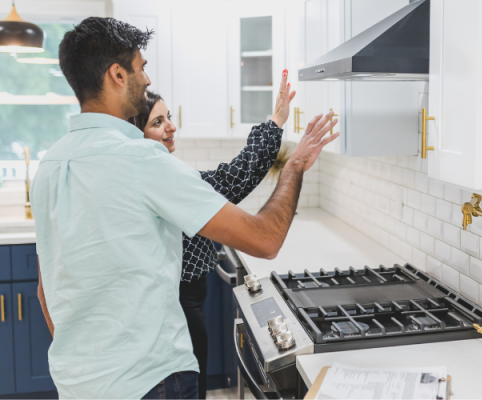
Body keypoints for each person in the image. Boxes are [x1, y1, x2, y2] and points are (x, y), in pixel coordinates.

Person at [31, 17, 338, 399]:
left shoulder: (48, 166)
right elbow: (266, 238)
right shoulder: (143, 161)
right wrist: (293, 166)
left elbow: (46, 290)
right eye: (141, 67)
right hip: (152, 381)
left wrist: (88, 365)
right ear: (117, 75)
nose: (146, 79)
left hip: (78, 386)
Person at [128, 89, 288, 399]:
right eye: (158, 122)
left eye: (169, 118)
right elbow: (236, 178)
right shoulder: (164, 180)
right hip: (179, 310)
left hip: (177, 308)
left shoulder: (147, 177)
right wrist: (276, 122)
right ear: (137, 134)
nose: (171, 126)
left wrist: (276, 121)